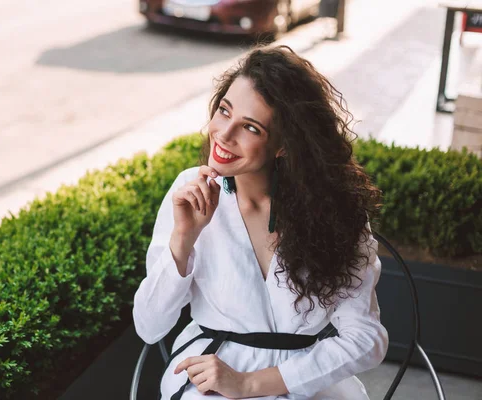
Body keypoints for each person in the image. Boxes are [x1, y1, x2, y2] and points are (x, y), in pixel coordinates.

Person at [133, 44, 388, 400]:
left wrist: (251, 384)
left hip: (308, 379)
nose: (223, 134)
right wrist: (183, 240)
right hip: (210, 377)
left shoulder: (337, 212)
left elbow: (366, 339)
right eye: (224, 111)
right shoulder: (189, 193)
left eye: (250, 127)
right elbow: (148, 326)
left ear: (285, 145)